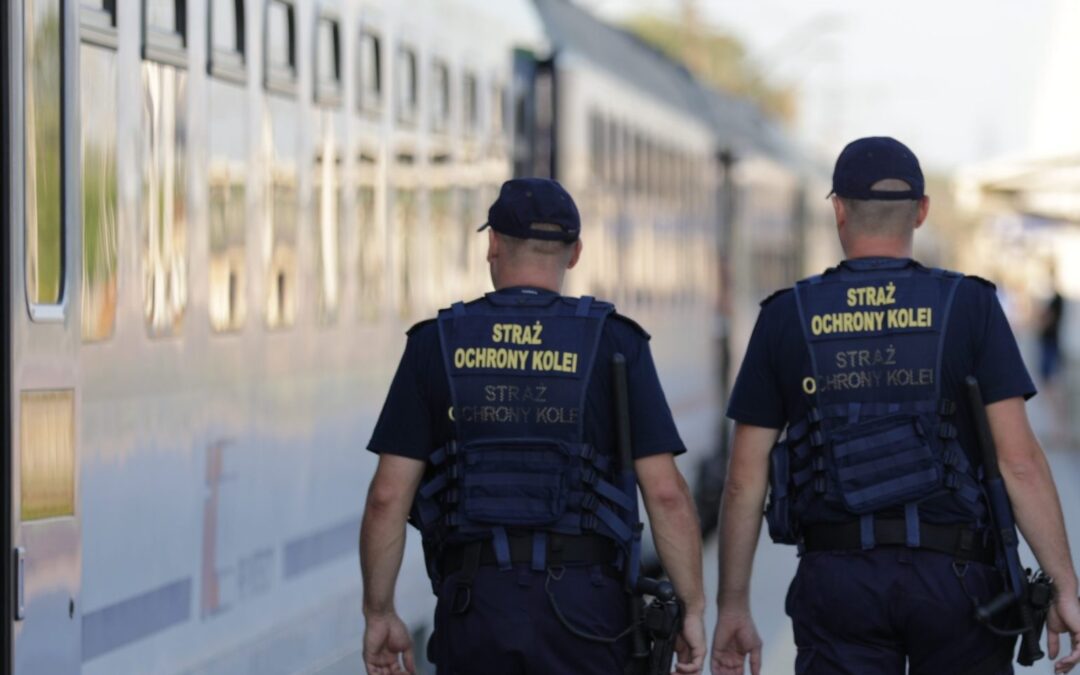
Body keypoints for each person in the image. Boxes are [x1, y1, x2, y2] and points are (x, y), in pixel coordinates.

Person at [709, 137, 1080, 675]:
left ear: (839, 209)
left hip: (838, 582)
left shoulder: (786, 315)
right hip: (958, 582)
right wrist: (1065, 586)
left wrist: (732, 606)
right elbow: (1018, 461)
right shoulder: (970, 305)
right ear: (922, 211)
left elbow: (744, 480)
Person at [360, 178, 706, 675]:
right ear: (575, 253)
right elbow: (666, 495)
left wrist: (379, 612)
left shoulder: (434, 343)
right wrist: (692, 608)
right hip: (588, 613)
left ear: (493, 244)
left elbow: (386, 498)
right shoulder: (616, 342)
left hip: (475, 606)